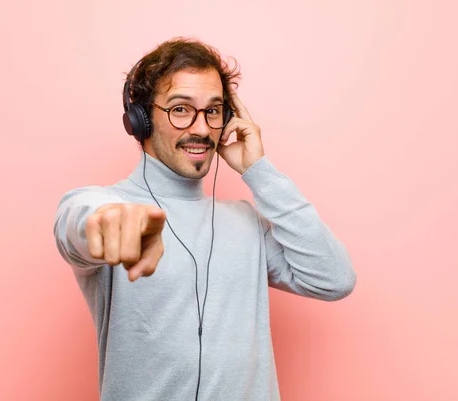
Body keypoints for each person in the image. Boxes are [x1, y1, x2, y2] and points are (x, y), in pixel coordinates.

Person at [53, 37, 356, 401]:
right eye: (181, 109)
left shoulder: (248, 224)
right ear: (141, 119)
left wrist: (258, 171)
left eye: (213, 111)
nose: (200, 128)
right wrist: (106, 224)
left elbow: (334, 279)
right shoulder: (104, 204)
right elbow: (77, 225)